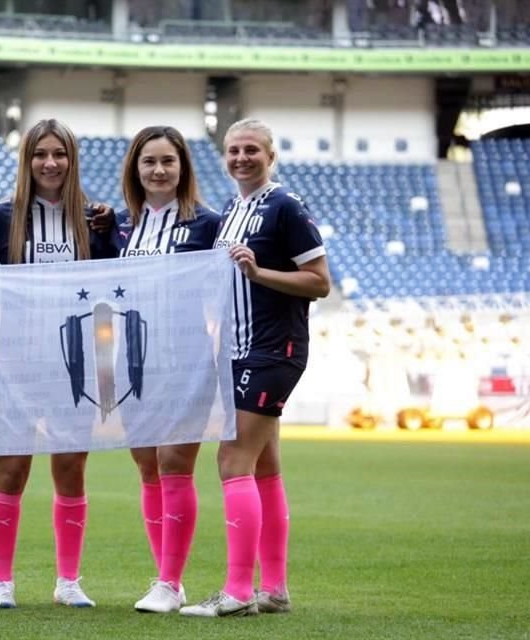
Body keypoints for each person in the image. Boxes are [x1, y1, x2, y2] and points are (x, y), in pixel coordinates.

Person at [179, 118, 331, 618]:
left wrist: (258, 271)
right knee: (265, 467)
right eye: (233, 150)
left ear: (271, 156)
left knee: (231, 460)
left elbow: (319, 282)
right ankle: (275, 590)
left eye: (251, 150)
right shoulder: (231, 208)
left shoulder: (285, 207)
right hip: (240, 349)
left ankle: (239, 592)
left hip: (273, 349)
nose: (241, 158)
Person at [0, 118, 117, 609]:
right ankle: (1, 583)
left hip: (76, 365)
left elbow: (112, 292)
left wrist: (104, 368)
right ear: (27, 161)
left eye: (59, 153)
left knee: (70, 469)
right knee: (12, 471)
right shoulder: (3, 217)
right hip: (17, 364)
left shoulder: (95, 220)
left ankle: (68, 581)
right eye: (40, 154)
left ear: (71, 159)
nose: (50, 163)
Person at [112, 125, 221, 614]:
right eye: (148, 161)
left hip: (187, 361)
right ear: (135, 169)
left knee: (176, 464)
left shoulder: (208, 224)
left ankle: (168, 580)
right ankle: (166, 582)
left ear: (183, 168)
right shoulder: (114, 225)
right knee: (147, 467)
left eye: (168, 162)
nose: (158, 170)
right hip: (131, 362)